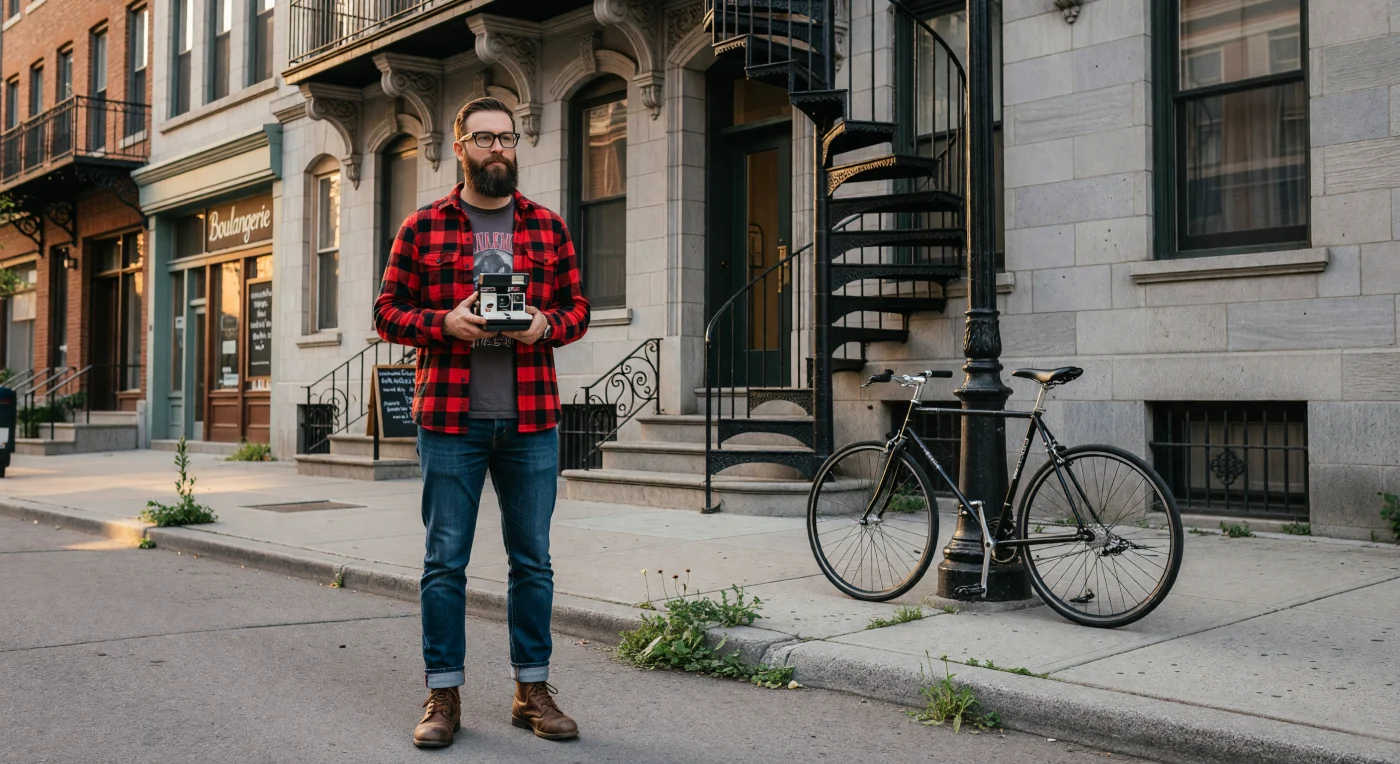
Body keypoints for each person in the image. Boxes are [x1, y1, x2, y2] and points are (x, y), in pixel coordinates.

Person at [373, 96, 591, 749]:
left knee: (534, 562)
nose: (498, 149)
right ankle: (443, 694)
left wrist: (547, 326)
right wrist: (443, 325)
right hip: (449, 419)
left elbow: (580, 308)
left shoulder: (548, 228)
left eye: (507, 138)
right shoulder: (422, 226)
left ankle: (532, 691)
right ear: (460, 145)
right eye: (484, 139)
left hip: (530, 418)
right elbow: (386, 313)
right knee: (445, 562)